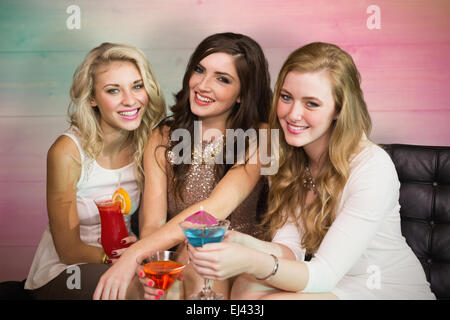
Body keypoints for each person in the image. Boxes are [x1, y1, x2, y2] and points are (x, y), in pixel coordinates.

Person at [187, 42, 436, 300]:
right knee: (246, 286)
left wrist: (251, 261)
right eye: (286, 97)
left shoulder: (372, 167)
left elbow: (324, 273)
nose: (293, 114)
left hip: (382, 288)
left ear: (339, 109)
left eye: (312, 104)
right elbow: (289, 250)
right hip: (329, 283)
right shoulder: (289, 158)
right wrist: (238, 241)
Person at [93, 32, 272, 300]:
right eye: (199, 70)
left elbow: (212, 210)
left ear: (242, 94)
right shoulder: (162, 136)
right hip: (187, 256)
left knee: (205, 256)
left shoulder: (261, 137)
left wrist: (135, 253)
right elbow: (152, 225)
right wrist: (149, 257)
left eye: (222, 79)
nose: (202, 85)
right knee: (173, 274)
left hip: (247, 257)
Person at [24, 42, 166, 299]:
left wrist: (140, 252)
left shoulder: (147, 144)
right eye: (113, 90)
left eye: (137, 85)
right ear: (92, 98)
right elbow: (68, 250)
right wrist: (122, 260)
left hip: (127, 260)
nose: (130, 100)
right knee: (139, 294)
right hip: (68, 269)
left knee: (167, 289)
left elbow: (151, 224)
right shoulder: (67, 152)